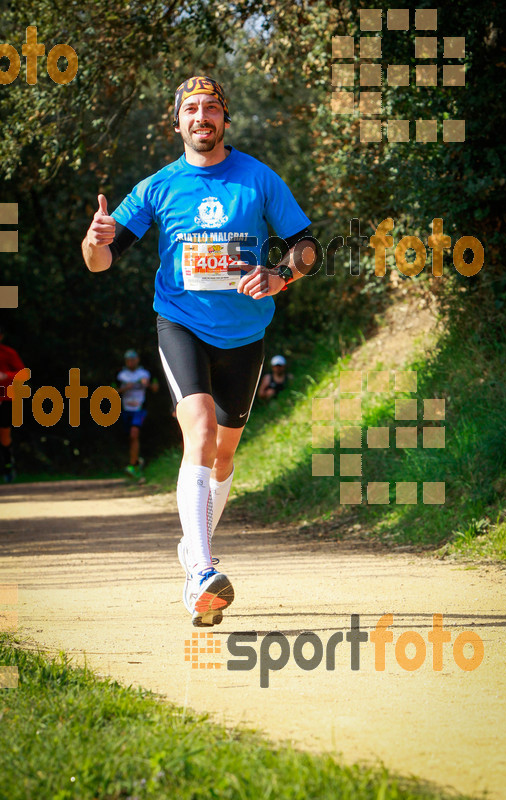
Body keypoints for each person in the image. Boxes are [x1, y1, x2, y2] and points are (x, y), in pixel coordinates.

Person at [82, 75, 315, 627]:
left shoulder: (258, 178)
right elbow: (101, 262)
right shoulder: (159, 187)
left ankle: (195, 550)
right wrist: (94, 239)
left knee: (226, 455)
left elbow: (307, 246)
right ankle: (202, 574)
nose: (202, 116)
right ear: (178, 122)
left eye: (212, 107)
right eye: (192, 108)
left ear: (224, 120)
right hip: (181, 325)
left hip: (245, 336)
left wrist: (281, 275)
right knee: (201, 430)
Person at [117, 349, 158, 479]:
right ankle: (135, 462)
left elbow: (156, 388)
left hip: (140, 409)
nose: (131, 362)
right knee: (129, 437)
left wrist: (149, 385)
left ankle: (133, 464)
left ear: (138, 360)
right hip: (125, 409)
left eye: (133, 359)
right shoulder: (121, 375)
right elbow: (111, 391)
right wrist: (125, 388)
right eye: (128, 360)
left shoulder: (145, 373)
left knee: (134, 433)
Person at [0, 325, 25, 483]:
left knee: (4, 434)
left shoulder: (8, 353)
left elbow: (22, 373)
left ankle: (8, 466)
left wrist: (5, 376)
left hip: (5, 398)